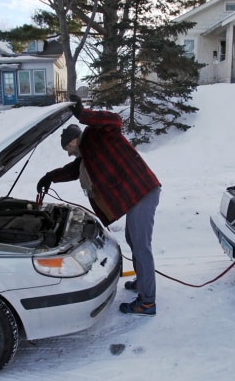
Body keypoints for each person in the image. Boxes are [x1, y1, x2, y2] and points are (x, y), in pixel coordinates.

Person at [37, 95, 161, 316]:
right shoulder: (88, 156)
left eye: (67, 147)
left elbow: (114, 120)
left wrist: (82, 114)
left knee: (141, 246)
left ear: (74, 140)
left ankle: (147, 302)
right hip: (136, 195)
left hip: (142, 191)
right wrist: (49, 177)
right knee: (135, 241)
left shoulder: (97, 135)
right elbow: (73, 170)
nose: (68, 152)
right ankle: (143, 283)